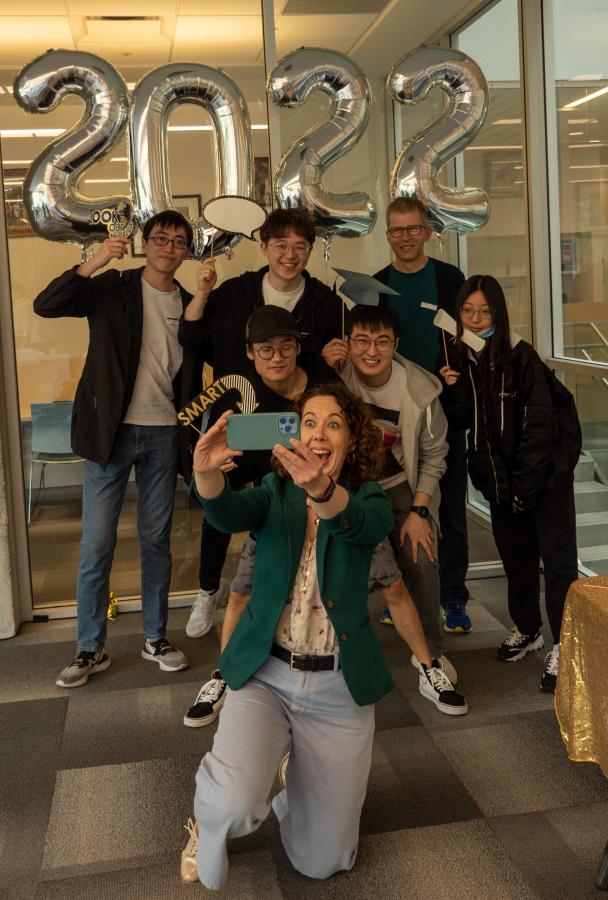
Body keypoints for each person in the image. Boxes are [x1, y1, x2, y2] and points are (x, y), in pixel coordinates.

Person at [180, 383, 464, 889]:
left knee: (324, 860)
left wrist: (321, 490)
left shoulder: (371, 498)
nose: (318, 433)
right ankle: (207, 818)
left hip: (337, 688)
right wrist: (205, 473)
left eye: (333, 423)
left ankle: (297, 786)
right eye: (308, 422)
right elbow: (228, 513)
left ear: (351, 439)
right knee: (233, 804)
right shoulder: (273, 492)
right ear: (292, 434)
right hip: (267, 675)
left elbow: (358, 523)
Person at [34, 211, 196, 687]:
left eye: (179, 241)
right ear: (145, 243)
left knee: (155, 540)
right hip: (113, 431)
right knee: (97, 544)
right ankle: (89, 648)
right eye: (161, 239)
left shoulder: (189, 301)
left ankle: (155, 637)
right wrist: (95, 259)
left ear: (187, 250)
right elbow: (47, 304)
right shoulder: (113, 287)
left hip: (165, 433)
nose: (169, 247)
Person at [179, 208, 346, 636]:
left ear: (310, 251)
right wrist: (200, 291)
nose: (289, 255)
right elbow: (192, 338)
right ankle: (207, 587)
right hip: (241, 417)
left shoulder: (325, 302)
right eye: (281, 245)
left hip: (292, 420)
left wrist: (332, 358)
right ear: (264, 247)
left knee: (294, 502)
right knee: (221, 495)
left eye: (299, 247)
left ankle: (297, 589)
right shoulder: (235, 292)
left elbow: (331, 367)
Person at [183, 303, 335, 723]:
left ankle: (328, 673)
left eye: (285, 347)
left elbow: (345, 439)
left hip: (322, 505)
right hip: (270, 505)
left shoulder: (324, 385)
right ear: (250, 353)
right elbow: (201, 445)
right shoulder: (237, 393)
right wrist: (218, 470)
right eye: (265, 350)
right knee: (244, 590)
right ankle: (224, 672)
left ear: (298, 349)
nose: (276, 358)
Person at [439, 274, 581, 692]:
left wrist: (526, 486)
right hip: (501, 484)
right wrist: (454, 389)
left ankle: (566, 646)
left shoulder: (522, 358)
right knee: (516, 560)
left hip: (545, 479)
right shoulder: (458, 355)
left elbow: (540, 427)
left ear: (498, 314)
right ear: (458, 313)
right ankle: (527, 629)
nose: (476, 318)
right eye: (468, 310)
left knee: (557, 567)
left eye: (485, 311)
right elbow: (464, 422)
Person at [322, 303, 461, 695]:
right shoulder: (336, 377)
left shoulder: (419, 388)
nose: (371, 351)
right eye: (362, 340)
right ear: (348, 342)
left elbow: (435, 456)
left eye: (382, 342)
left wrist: (418, 511)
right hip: (346, 486)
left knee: (419, 556)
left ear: (395, 344)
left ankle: (430, 653)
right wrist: (325, 367)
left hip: (399, 485)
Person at [375, 197, 471, 633]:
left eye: (413, 229)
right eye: (397, 230)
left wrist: (459, 369)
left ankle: (453, 598)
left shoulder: (451, 279)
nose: (406, 237)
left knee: (448, 509)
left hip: (441, 408)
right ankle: (396, 592)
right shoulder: (376, 285)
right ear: (388, 235)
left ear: (428, 231)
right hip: (390, 416)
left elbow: (468, 335)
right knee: (395, 507)